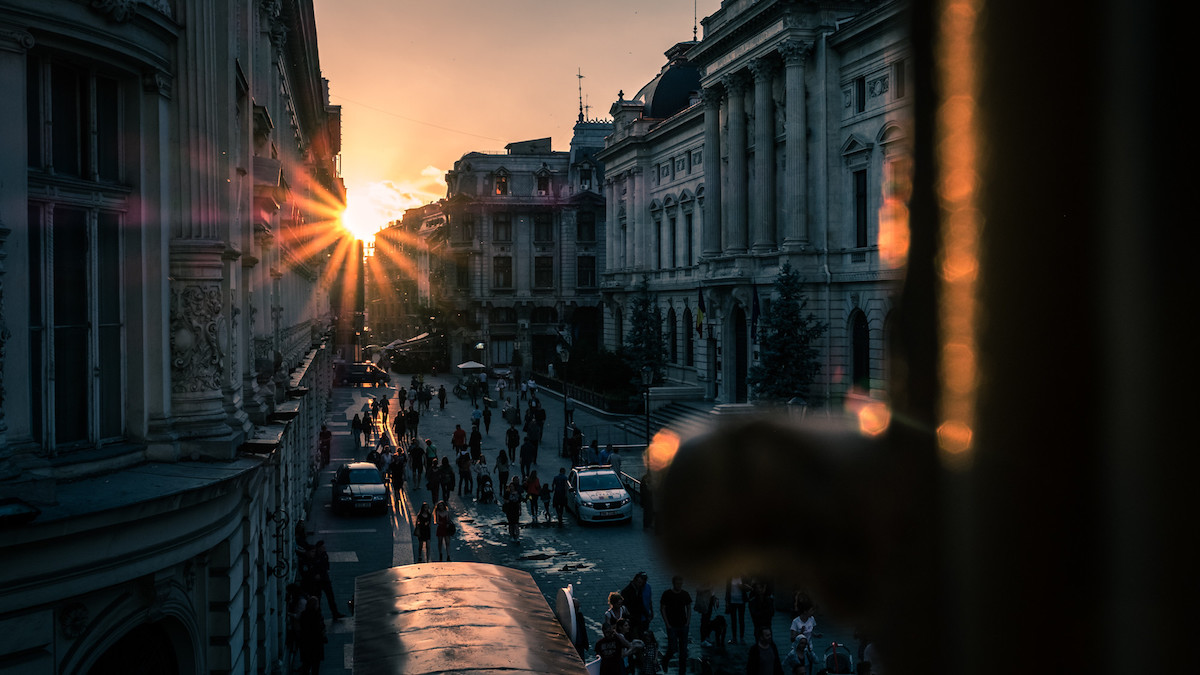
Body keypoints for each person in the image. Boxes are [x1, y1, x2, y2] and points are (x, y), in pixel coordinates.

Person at [661, 575, 693, 675]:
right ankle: (665, 660)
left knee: (683, 651)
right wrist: (667, 624)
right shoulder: (667, 594)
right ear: (673, 583)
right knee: (673, 648)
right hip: (672, 626)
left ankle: (681, 672)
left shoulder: (685, 594)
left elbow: (688, 607)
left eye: (680, 584)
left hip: (683, 625)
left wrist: (687, 622)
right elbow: (662, 608)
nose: (679, 585)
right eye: (677, 584)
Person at [308, 541, 344, 619]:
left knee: (330, 597)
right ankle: (319, 615)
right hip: (318, 581)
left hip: (324, 579)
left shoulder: (324, 555)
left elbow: (326, 566)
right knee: (318, 598)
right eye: (322, 547)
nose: (324, 548)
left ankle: (335, 613)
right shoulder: (315, 556)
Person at [296, 594, 326, 675]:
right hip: (316, 644)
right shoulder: (317, 615)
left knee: (306, 665)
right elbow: (320, 628)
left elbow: (301, 627)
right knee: (315, 668)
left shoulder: (303, 614)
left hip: (306, 644)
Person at [621, 572, 652, 640]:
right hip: (633, 619)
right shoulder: (627, 592)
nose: (640, 584)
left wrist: (648, 614)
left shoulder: (639, 589)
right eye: (639, 582)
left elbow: (646, 602)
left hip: (640, 618)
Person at [727, 577, 750, 644]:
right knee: (733, 620)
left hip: (741, 601)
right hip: (732, 601)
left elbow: (748, 589)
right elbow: (727, 590)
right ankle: (734, 637)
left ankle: (741, 637)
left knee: (741, 619)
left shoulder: (743, 577)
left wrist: (742, 587)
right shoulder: (729, 578)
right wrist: (727, 601)